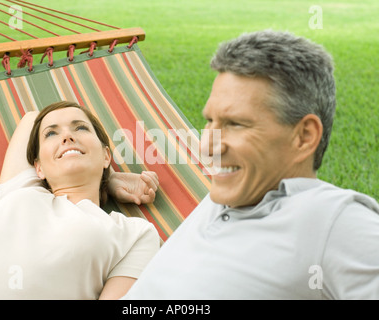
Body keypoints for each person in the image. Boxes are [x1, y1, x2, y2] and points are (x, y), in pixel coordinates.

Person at [123, 30, 379, 299]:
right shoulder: (227, 195)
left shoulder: (333, 220)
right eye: (210, 121)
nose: (208, 146)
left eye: (235, 124)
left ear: (304, 136)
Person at [0, 101, 160, 299]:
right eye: (51, 133)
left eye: (80, 128)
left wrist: (101, 173)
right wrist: (110, 179)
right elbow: (31, 118)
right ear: (39, 168)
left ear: (107, 156)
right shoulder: (23, 187)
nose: (67, 136)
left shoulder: (136, 234)